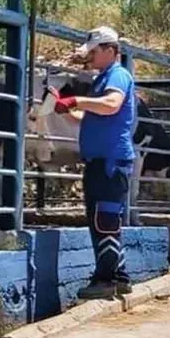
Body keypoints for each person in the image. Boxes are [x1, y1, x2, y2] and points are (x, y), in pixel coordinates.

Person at [48, 25, 138, 300]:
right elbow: (86, 119)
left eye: (95, 52)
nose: (90, 58)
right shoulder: (101, 79)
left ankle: (106, 279)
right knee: (104, 218)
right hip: (101, 161)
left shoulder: (118, 76)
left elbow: (111, 104)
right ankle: (120, 275)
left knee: (105, 220)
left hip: (110, 161)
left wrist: (77, 99)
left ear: (111, 51)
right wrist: (64, 108)